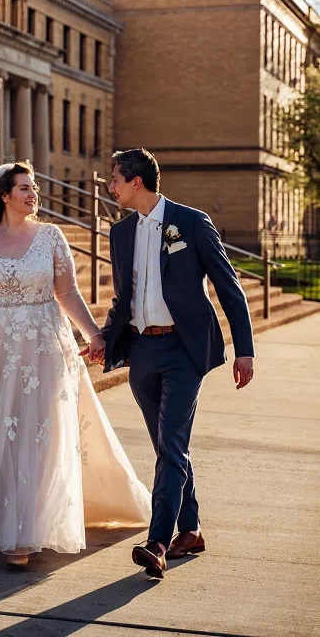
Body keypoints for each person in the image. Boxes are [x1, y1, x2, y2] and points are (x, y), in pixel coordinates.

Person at [0, 161, 151, 567]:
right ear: (4, 195)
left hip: (40, 348)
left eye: (34, 187)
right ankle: (2, 510)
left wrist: (93, 334)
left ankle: (22, 533)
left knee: (33, 435)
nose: (33, 194)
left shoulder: (51, 237)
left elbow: (67, 292)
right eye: (23, 188)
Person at [93, 148, 255, 579]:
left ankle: (157, 542)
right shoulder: (121, 233)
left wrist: (245, 349)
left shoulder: (192, 222)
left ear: (136, 182)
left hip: (185, 350)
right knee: (169, 446)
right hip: (143, 351)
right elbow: (122, 299)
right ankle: (192, 529)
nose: (110, 186)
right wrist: (105, 339)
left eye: (114, 179)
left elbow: (229, 286)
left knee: (171, 445)